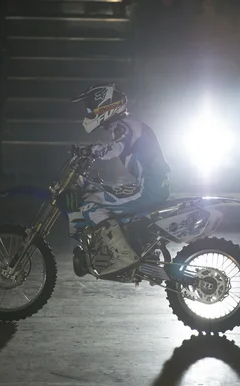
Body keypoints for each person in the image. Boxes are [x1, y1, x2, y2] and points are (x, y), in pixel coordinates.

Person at [73, 84, 171, 276]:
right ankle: (130, 248)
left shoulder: (125, 124)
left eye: (91, 108)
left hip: (149, 188)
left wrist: (89, 150)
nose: (89, 112)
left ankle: (123, 258)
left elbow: (115, 148)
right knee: (101, 193)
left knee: (91, 206)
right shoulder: (126, 124)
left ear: (104, 106)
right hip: (151, 184)